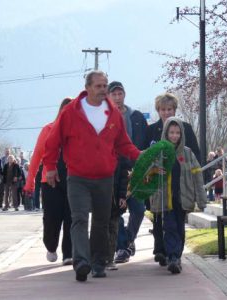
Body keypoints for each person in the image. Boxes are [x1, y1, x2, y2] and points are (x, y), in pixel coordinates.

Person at [42, 71, 141, 282]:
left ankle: (98, 263)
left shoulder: (113, 113)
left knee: (101, 222)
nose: (103, 89)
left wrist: (139, 156)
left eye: (105, 85)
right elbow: (53, 141)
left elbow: (123, 143)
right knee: (79, 218)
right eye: (98, 86)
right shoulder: (70, 112)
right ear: (87, 87)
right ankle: (81, 262)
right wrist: (50, 167)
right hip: (77, 176)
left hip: (105, 177)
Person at [145, 92, 200, 267]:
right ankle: (162, 251)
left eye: (170, 109)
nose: (166, 112)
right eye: (163, 109)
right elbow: (144, 156)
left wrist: (197, 187)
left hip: (181, 187)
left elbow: (196, 157)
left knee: (176, 223)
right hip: (158, 187)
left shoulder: (186, 129)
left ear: (175, 110)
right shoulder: (151, 131)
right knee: (160, 220)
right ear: (158, 111)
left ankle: (173, 254)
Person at [150, 117, 206, 274]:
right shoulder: (159, 152)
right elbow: (147, 173)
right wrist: (154, 170)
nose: (174, 136)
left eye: (177, 133)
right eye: (171, 132)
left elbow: (198, 178)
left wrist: (202, 200)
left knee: (179, 227)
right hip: (165, 198)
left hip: (183, 198)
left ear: (181, 134)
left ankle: (177, 255)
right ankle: (173, 257)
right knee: (170, 226)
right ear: (166, 133)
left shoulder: (188, 154)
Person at [24, 98, 73, 266]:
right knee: (52, 217)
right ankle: (51, 246)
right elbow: (37, 156)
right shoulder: (48, 129)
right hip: (49, 182)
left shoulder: (78, 133)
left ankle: (69, 253)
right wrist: (29, 183)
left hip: (72, 180)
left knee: (71, 217)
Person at [106, 80, 148, 267]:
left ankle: (128, 240)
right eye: (113, 94)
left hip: (136, 169)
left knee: (138, 209)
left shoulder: (136, 116)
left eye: (119, 94)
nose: (117, 97)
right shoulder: (105, 117)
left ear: (124, 94)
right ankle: (122, 247)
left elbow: (146, 142)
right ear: (109, 96)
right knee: (116, 212)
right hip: (114, 170)